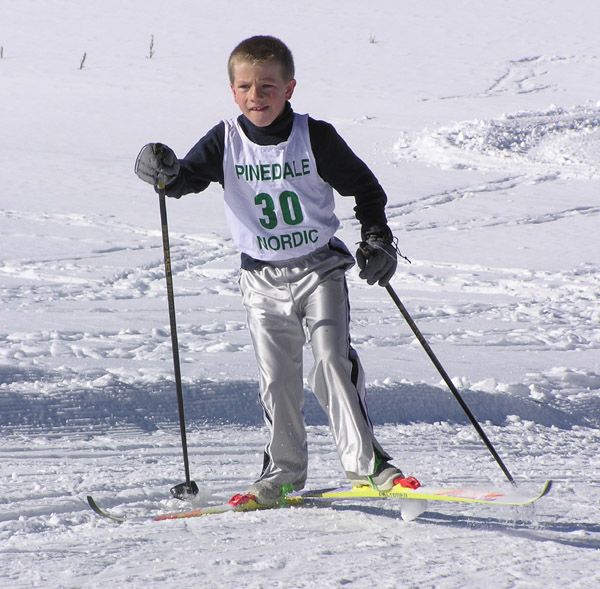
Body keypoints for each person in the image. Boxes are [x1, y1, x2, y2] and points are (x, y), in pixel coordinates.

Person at [135, 35, 413, 507]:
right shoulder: (225, 139)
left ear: (289, 88)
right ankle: (282, 473)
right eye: (245, 86)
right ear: (232, 91)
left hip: (319, 269)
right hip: (261, 278)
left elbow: (366, 190)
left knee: (330, 360)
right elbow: (183, 180)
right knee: (277, 376)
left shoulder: (315, 136)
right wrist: (160, 172)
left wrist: (377, 239)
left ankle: (370, 466)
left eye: (267, 86)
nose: (255, 96)